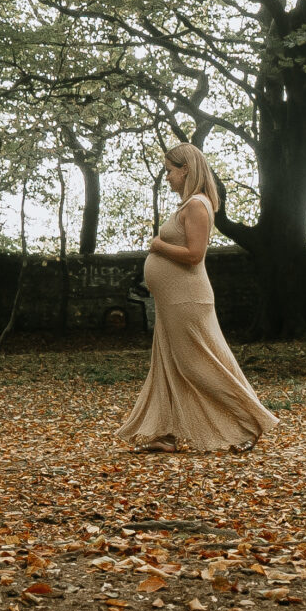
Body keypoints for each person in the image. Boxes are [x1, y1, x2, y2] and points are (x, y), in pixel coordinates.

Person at [117, 142, 277, 453]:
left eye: (170, 170)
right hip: (173, 301)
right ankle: (165, 433)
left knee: (196, 365)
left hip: (188, 300)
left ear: (185, 169)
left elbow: (194, 254)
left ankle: (250, 422)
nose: (168, 177)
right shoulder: (188, 204)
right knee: (168, 365)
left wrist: (157, 246)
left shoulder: (197, 205)